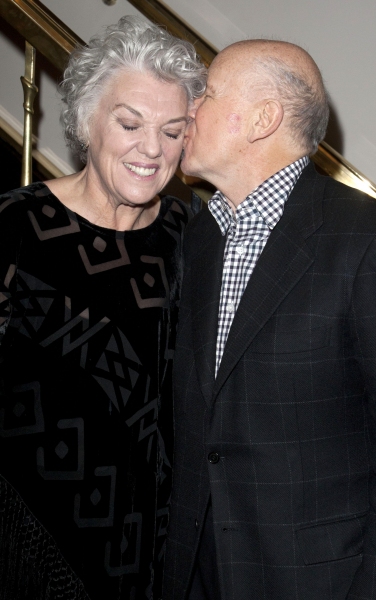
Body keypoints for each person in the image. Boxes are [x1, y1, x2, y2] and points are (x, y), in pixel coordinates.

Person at [163, 39, 376, 600]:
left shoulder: (367, 241)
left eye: (207, 93)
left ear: (264, 118)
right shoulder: (196, 237)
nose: (187, 108)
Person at [0, 15, 206, 600]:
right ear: (87, 122)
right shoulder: (17, 226)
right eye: (130, 123)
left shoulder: (193, 240)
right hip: (21, 535)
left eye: (173, 130)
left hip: (148, 550)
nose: (152, 148)